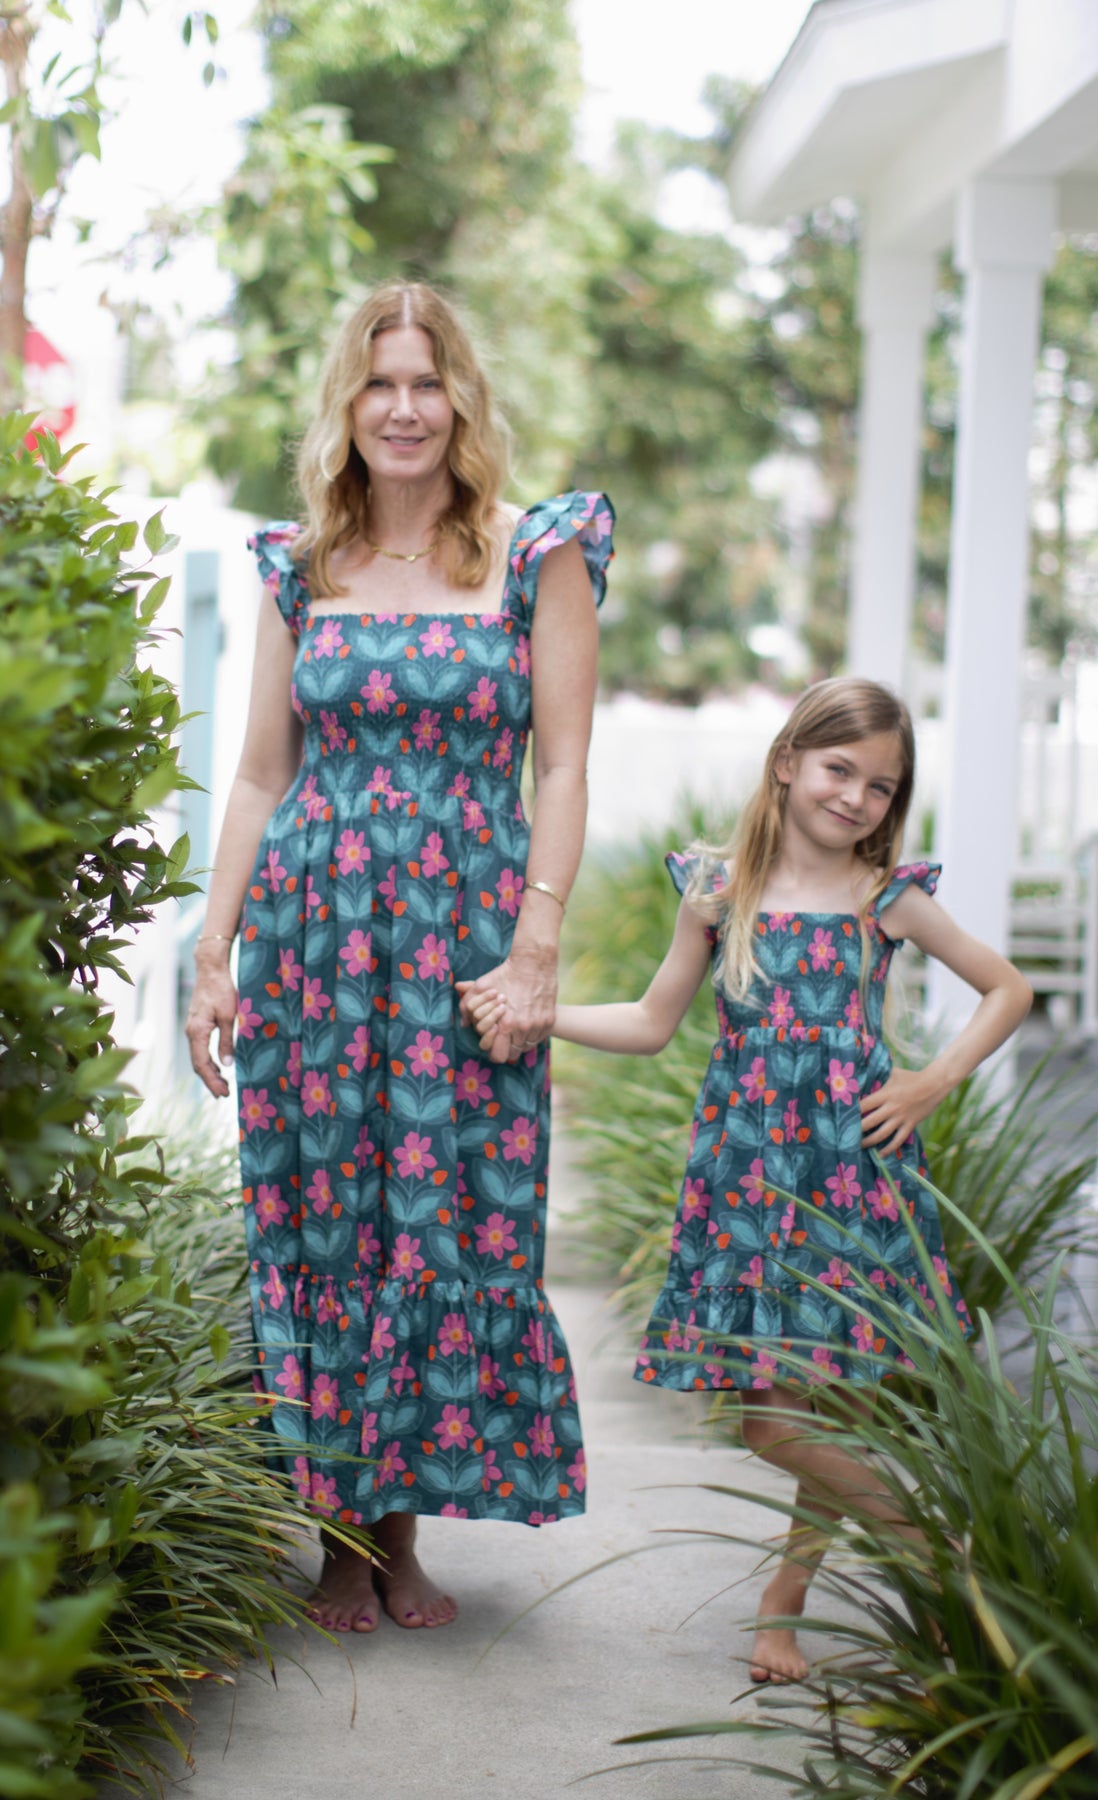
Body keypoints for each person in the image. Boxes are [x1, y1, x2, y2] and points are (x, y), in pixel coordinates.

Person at [186, 279, 614, 1636]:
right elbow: (260, 775)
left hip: (462, 952)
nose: (406, 407)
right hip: (315, 948)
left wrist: (540, 937)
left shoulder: (536, 553)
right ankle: (332, 1546)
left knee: (442, 1222)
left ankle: (401, 1536)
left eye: (429, 382)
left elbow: (562, 759)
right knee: (321, 1222)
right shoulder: (296, 562)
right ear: (348, 402)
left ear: (463, 399)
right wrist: (213, 951)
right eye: (381, 383)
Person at [461, 676, 1031, 1684]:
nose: (856, 798)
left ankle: (793, 1602)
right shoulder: (720, 891)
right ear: (788, 763)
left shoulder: (886, 899)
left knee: (827, 1415)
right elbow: (649, 1020)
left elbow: (1008, 988)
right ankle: (934, 1554)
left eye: (881, 787)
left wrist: (933, 1080)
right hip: (749, 1183)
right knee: (776, 1420)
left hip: (857, 1173)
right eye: (839, 770)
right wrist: (545, 1017)